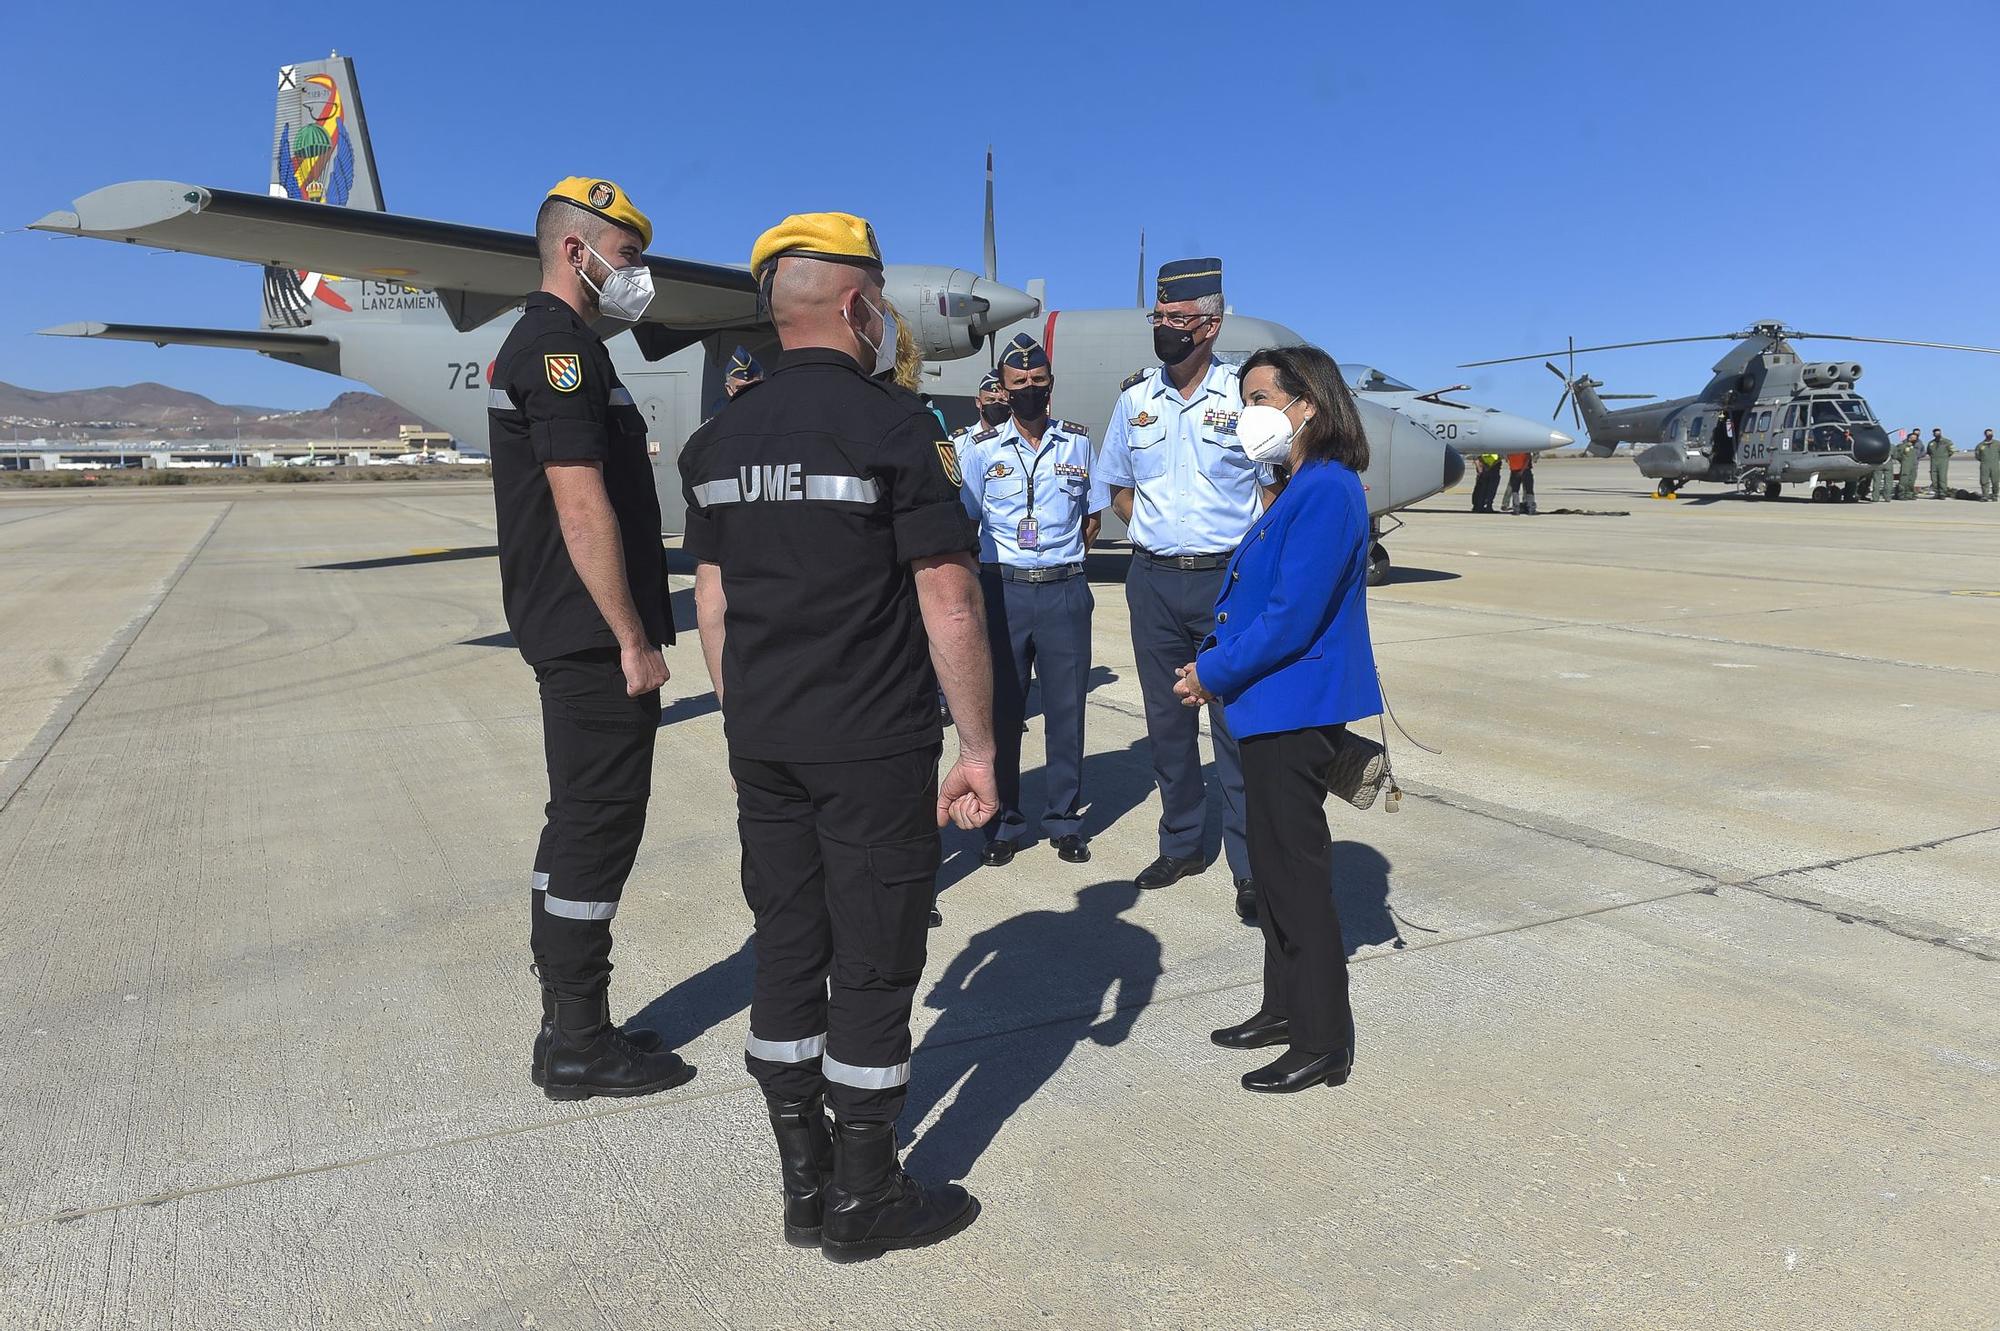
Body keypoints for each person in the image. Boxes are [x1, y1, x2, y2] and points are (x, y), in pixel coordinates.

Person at [680, 210, 995, 1259]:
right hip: (869, 741)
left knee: (785, 947)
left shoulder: (717, 440)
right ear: (860, 306)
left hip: (764, 740)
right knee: (870, 960)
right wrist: (981, 749)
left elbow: (713, 608)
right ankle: (866, 1195)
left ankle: (801, 1180)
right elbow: (948, 601)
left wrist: (750, 716)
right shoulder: (899, 429)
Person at [488, 177, 691, 1102]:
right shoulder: (560, 349)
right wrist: (633, 638)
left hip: (569, 633)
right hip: (588, 638)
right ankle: (577, 1039)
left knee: (576, 822)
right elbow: (581, 504)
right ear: (580, 252)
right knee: (598, 829)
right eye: (630, 255)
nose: (637, 274)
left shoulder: (561, 345)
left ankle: (572, 1021)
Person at [1172, 344, 1381, 1095]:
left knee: (1294, 876)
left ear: (1309, 404)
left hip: (1293, 708)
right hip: (1267, 705)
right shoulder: (1297, 486)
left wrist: (1211, 671)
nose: (1249, 412)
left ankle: (1323, 1040)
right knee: (1271, 867)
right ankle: (1283, 1008)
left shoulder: (1327, 489)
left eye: (1262, 396)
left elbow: (1291, 618)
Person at [1098, 257, 1275, 925]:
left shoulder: (1244, 398)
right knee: (1167, 723)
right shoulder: (1135, 398)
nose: (1165, 330)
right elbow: (1115, 481)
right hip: (1153, 580)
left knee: (1235, 726)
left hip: (1229, 579)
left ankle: (1251, 866)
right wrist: (1150, 529)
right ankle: (1180, 843)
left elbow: (1272, 484)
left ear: (1211, 323)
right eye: (1160, 318)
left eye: (1177, 319)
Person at [957, 332, 1107, 867]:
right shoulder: (979, 451)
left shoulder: (1077, 444)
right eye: (1018, 383)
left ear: (1050, 386)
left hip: (1064, 590)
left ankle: (1064, 820)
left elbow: (1091, 518)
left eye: (1037, 383)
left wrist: (1058, 562)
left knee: (1067, 709)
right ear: (1002, 388)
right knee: (1003, 711)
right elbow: (968, 523)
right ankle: (1003, 822)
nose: (1028, 391)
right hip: (1003, 593)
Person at [1928, 428, 1956, 499]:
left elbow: (1952, 450)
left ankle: (1942, 493)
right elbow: (1928, 452)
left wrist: (1945, 456)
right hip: (1934, 462)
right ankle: (1937, 492)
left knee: (1942, 478)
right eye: (1935, 433)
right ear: (1933, 434)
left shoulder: (1947, 442)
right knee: (1934, 478)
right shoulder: (1931, 443)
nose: (1937, 434)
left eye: (1938, 433)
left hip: (1943, 462)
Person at [1894, 430, 1921, 500]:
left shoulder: (1914, 447)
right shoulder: (1903, 446)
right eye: (1913, 437)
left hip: (1913, 466)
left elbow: (1921, 453)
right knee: (1904, 480)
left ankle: (1909, 494)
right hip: (1906, 466)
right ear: (1909, 438)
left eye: (1915, 438)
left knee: (1911, 481)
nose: (1914, 439)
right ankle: (1901, 494)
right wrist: (1903, 460)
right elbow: (1896, 454)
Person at [1975, 428, 1999, 502]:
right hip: (1984, 465)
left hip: (1995, 465)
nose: (1990, 435)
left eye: (1991, 433)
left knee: (1995, 481)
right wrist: (1983, 461)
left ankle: (1995, 495)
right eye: (1988, 433)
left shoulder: (1997, 444)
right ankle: (1985, 496)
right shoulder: (1980, 445)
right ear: (1985, 434)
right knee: (1984, 481)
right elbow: (1977, 456)